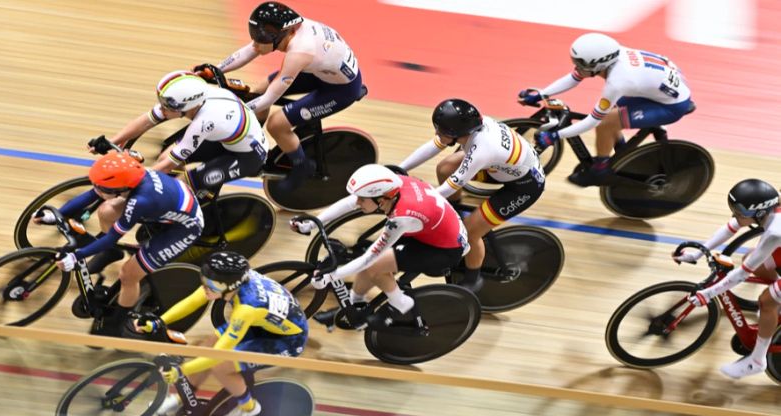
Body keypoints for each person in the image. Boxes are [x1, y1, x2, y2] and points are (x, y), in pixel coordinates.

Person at [132, 251, 308, 416]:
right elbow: (193, 300)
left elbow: (216, 356)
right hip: (263, 325)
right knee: (207, 345)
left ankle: (249, 408)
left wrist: (181, 370)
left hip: (288, 340)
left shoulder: (246, 308)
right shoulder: (229, 281)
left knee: (221, 366)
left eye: (212, 285)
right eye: (204, 279)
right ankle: (183, 398)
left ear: (230, 286)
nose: (205, 287)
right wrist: (159, 321)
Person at [35, 152, 204, 337]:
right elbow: (93, 194)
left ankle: (116, 323)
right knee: (106, 211)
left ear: (120, 188)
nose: (96, 189)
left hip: (183, 229)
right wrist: (57, 214)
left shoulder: (141, 201)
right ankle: (111, 253)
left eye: (102, 187)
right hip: (168, 208)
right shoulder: (131, 179)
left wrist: (77, 256)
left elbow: (111, 236)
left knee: (128, 275)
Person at [200, 1, 364, 190]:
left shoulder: (300, 51)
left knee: (277, 124)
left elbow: (270, 98)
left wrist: (237, 111)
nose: (257, 43)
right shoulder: (290, 28)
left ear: (282, 34)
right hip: (321, 72)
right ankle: (248, 140)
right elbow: (251, 50)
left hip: (341, 90)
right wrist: (215, 70)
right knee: (259, 89)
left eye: (262, 38)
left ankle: (302, 167)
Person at [290, 164, 469, 329]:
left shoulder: (401, 218)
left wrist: (331, 276)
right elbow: (349, 203)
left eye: (362, 199)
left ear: (381, 200)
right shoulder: (394, 188)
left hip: (444, 249)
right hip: (431, 229)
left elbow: (369, 259)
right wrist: (312, 223)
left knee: (375, 265)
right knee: (370, 262)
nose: (358, 202)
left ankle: (401, 304)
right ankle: (354, 310)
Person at [397, 98, 545, 292]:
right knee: (445, 168)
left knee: (469, 232)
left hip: (524, 187)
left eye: (440, 130)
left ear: (456, 133)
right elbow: (434, 146)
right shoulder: (470, 129)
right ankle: (454, 212)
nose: (436, 133)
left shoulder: (483, 149)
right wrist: (400, 168)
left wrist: (418, 200)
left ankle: (473, 278)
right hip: (501, 168)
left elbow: (453, 183)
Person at [518, 33, 694, 187]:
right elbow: (574, 77)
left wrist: (555, 136)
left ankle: (600, 170)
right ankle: (623, 152)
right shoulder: (611, 55)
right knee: (613, 114)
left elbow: (593, 121)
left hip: (670, 105)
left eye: (581, 64)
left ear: (599, 64)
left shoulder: (618, 82)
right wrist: (541, 94)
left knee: (606, 123)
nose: (577, 67)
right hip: (659, 85)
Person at [94, 70, 269, 202]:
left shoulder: (204, 121)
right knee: (165, 158)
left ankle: (187, 219)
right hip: (224, 140)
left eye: (166, 107)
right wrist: (113, 140)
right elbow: (147, 120)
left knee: (185, 184)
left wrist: (130, 182)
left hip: (248, 156)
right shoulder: (193, 101)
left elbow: (167, 165)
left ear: (187, 106)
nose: (161, 109)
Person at [674, 179, 781, 379]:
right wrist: (696, 254)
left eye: (739, 212)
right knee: (751, 258)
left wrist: (708, 294)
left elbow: (742, 274)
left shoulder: (775, 232)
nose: (734, 215)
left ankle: (757, 361)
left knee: (767, 301)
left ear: (758, 213)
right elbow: (731, 227)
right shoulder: (769, 209)